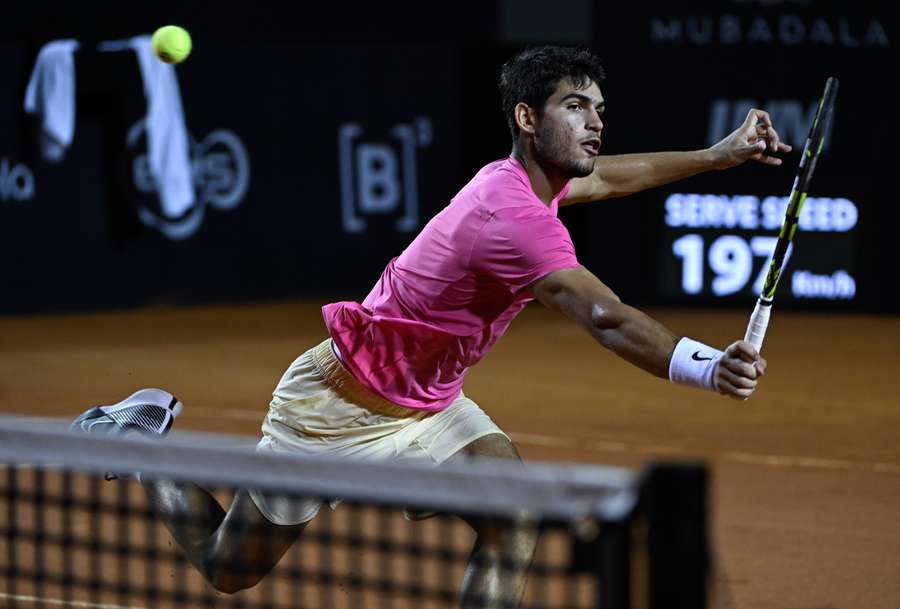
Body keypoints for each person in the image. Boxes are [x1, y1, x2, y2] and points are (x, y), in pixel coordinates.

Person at [73, 45, 787, 607]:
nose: (597, 120)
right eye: (576, 105)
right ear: (527, 118)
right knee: (229, 569)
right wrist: (703, 364)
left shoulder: (528, 183)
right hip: (337, 404)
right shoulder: (510, 217)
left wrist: (716, 155)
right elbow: (605, 315)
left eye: (599, 106)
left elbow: (609, 177)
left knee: (514, 518)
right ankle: (141, 441)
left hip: (432, 403)